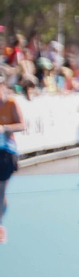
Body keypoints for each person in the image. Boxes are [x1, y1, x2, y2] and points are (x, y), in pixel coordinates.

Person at [0, 86, 24, 243]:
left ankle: (0, 224)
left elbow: (22, 125)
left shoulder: (11, 103)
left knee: (1, 193)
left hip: (6, 153)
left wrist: (4, 128)